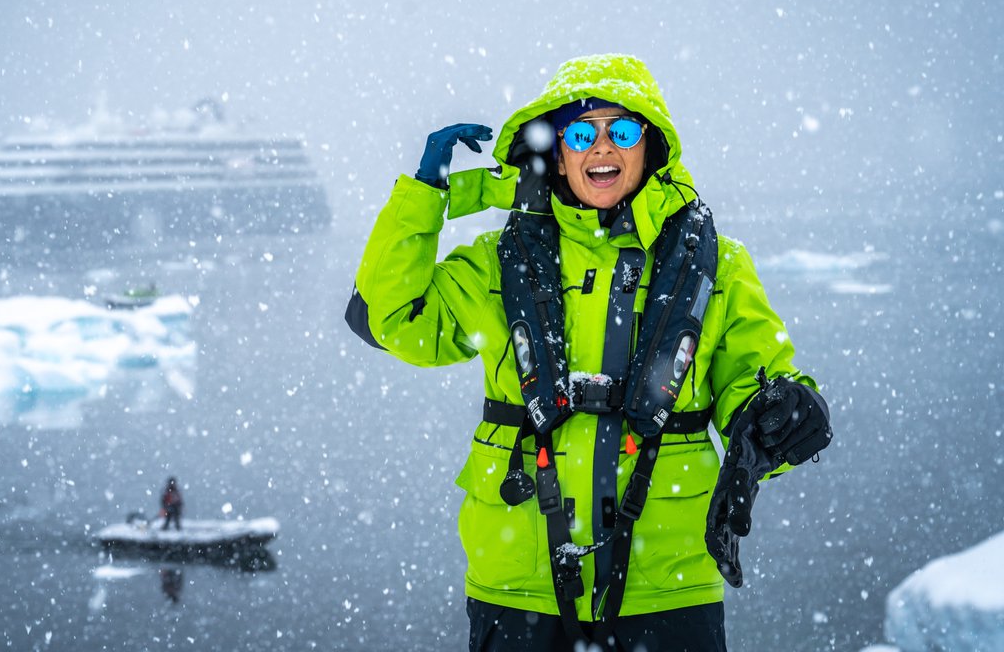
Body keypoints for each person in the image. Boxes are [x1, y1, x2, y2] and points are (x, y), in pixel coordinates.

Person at [345, 54, 832, 651]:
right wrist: (425, 197)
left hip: (669, 587)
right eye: (581, 133)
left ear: (649, 146)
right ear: (559, 152)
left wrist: (783, 414)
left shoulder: (716, 268)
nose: (602, 147)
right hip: (518, 584)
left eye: (621, 130)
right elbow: (386, 317)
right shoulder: (500, 263)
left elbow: (756, 388)